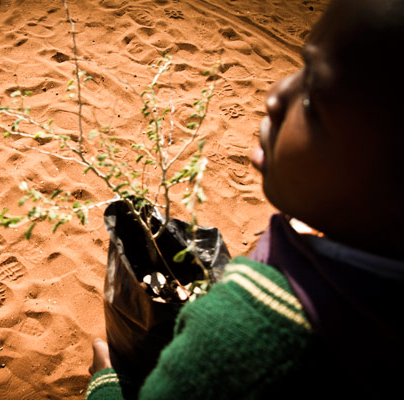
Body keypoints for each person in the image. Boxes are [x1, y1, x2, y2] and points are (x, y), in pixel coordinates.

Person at [84, 0, 404, 398]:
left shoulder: (242, 338)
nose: (276, 94)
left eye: (311, 97)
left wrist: (105, 382)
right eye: (299, 68)